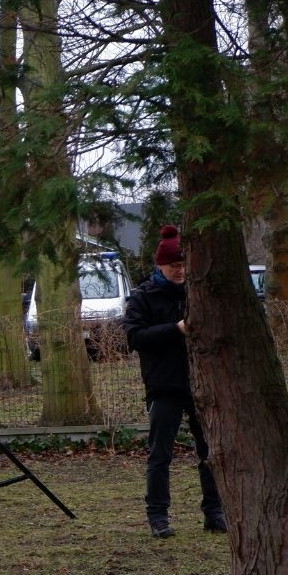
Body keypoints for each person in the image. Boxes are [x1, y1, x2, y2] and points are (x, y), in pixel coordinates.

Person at [123, 224, 225, 539]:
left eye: (183, 265)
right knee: (160, 453)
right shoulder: (143, 297)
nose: (180, 271)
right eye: (173, 266)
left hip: (202, 385)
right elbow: (134, 337)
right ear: (160, 266)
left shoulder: (199, 291)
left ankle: (214, 512)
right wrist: (175, 329)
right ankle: (158, 515)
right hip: (164, 385)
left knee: (210, 451)